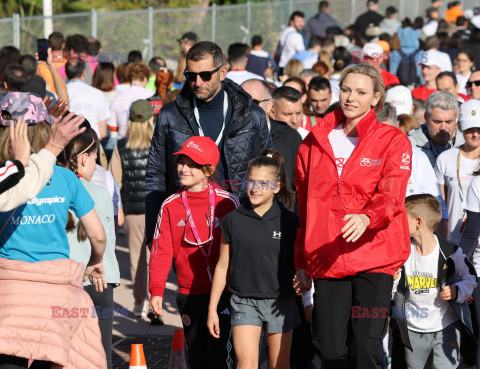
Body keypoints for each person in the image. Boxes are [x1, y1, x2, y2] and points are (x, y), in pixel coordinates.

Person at [293, 63, 412, 369]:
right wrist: (301, 262)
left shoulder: (393, 140)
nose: (351, 97)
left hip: (375, 256)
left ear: (375, 98)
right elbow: (304, 207)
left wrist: (366, 218)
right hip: (328, 256)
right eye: (346, 89)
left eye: (361, 92)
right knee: (330, 350)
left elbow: (391, 195)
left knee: (365, 348)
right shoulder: (312, 142)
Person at [0, 94, 108, 369]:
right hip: (58, 294)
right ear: (45, 129)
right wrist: (96, 262)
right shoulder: (65, 178)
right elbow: (98, 234)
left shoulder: (4, 177)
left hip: (8, 292)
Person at [145, 41, 273, 247]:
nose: (197, 82)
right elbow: (155, 174)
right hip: (187, 222)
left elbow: (268, 169)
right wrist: (153, 231)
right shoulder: (170, 115)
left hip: (240, 219)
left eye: (205, 75)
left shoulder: (252, 114)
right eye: (191, 76)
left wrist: (267, 223)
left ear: (222, 73)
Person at [149, 137, 238, 369]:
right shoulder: (170, 204)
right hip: (189, 293)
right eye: (181, 162)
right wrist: (156, 290)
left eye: (192, 164)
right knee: (197, 356)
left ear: (208, 169)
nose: (183, 168)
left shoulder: (228, 202)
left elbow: (241, 249)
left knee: (220, 355)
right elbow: (161, 251)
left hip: (224, 293)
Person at [208, 149, 299, 369]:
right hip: (243, 302)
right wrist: (212, 309)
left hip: (281, 302)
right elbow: (222, 267)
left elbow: (301, 264)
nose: (256, 188)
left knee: (280, 364)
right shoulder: (232, 221)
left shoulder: (290, 222)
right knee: (246, 363)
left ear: (277, 187)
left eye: (263, 183)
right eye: (251, 181)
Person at [393, 194, 476, 369]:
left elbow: (471, 278)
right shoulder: (402, 253)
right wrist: (394, 280)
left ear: (418, 222)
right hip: (413, 330)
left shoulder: (451, 252)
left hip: (446, 327)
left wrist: (457, 291)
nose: (397, 222)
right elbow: (394, 294)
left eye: (402, 218)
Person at [60, 128, 120, 369]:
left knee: (65, 352)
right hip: (97, 283)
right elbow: (107, 241)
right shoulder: (98, 194)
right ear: (83, 158)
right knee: (100, 352)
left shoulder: (50, 192)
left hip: (63, 282)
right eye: (95, 159)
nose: (96, 166)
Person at [109, 100, 154, 320]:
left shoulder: (120, 146)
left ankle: (139, 304)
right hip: (157, 210)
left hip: (132, 211)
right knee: (157, 258)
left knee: (136, 259)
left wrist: (119, 211)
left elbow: (115, 182)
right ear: (150, 119)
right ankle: (157, 301)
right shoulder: (158, 144)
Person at [241, 79, 302, 192]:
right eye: (241, 101)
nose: (247, 108)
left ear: (269, 105)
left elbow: (298, 187)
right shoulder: (229, 136)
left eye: (254, 102)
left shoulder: (290, 138)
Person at [435, 99, 480, 245]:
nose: (475, 134)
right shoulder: (445, 158)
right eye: (469, 129)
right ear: (460, 127)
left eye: (479, 128)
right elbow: (439, 203)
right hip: (454, 240)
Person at [409, 90, 464, 167]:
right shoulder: (409, 146)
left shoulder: (469, 145)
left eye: (448, 122)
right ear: (426, 117)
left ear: (456, 118)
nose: (443, 128)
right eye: (437, 122)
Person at [66, 61, 110, 140]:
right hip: (94, 144)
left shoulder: (58, 94)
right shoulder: (98, 93)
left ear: (66, 73)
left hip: (68, 146)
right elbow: (103, 132)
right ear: (84, 73)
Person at [109, 63, 154, 139]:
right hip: (145, 141)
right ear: (145, 78)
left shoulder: (118, 97)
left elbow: (112, 126)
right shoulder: (151, 95)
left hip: (123, 142)